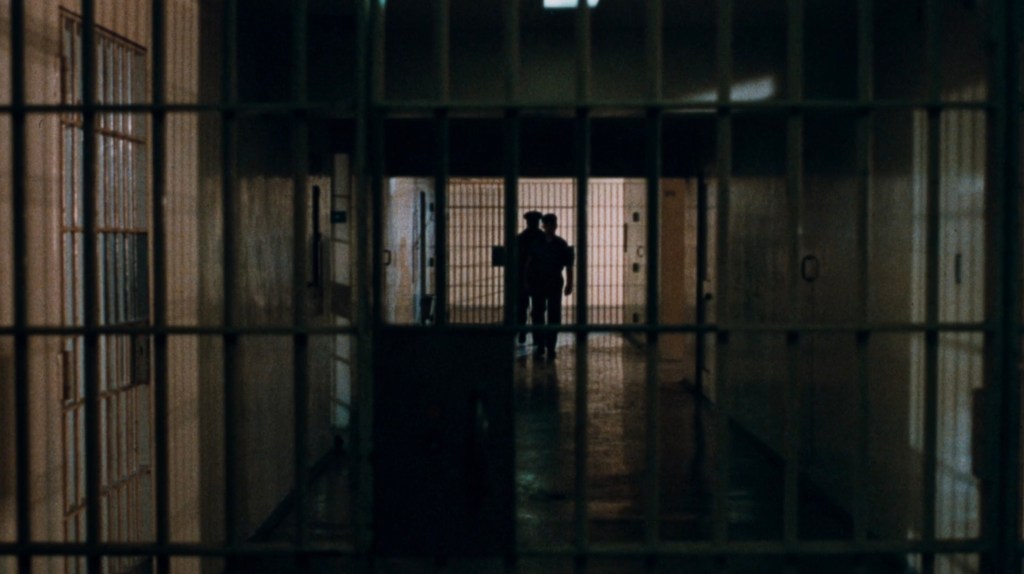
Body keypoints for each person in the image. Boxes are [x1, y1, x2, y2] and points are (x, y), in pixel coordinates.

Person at [526, 213, 574, 360]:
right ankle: (543, 345)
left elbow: (569, 265)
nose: (551, 227)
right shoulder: (559, 243)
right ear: (545, 226)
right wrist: (569, 283)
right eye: (549, 224)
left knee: (549, 314)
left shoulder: (541, 243)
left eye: (552, 224)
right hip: (545, 281)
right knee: (541, 313)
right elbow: (529, 265)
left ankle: (548, 345)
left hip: (547, 281)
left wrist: (570, 283)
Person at [516, 211, 545, 344]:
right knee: (538, 309)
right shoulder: (543, 238)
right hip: (539, 277)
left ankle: (522, 332)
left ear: (526, 222)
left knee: (522, 307)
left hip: (521, 277)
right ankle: (537, 337)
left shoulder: (520, 238)